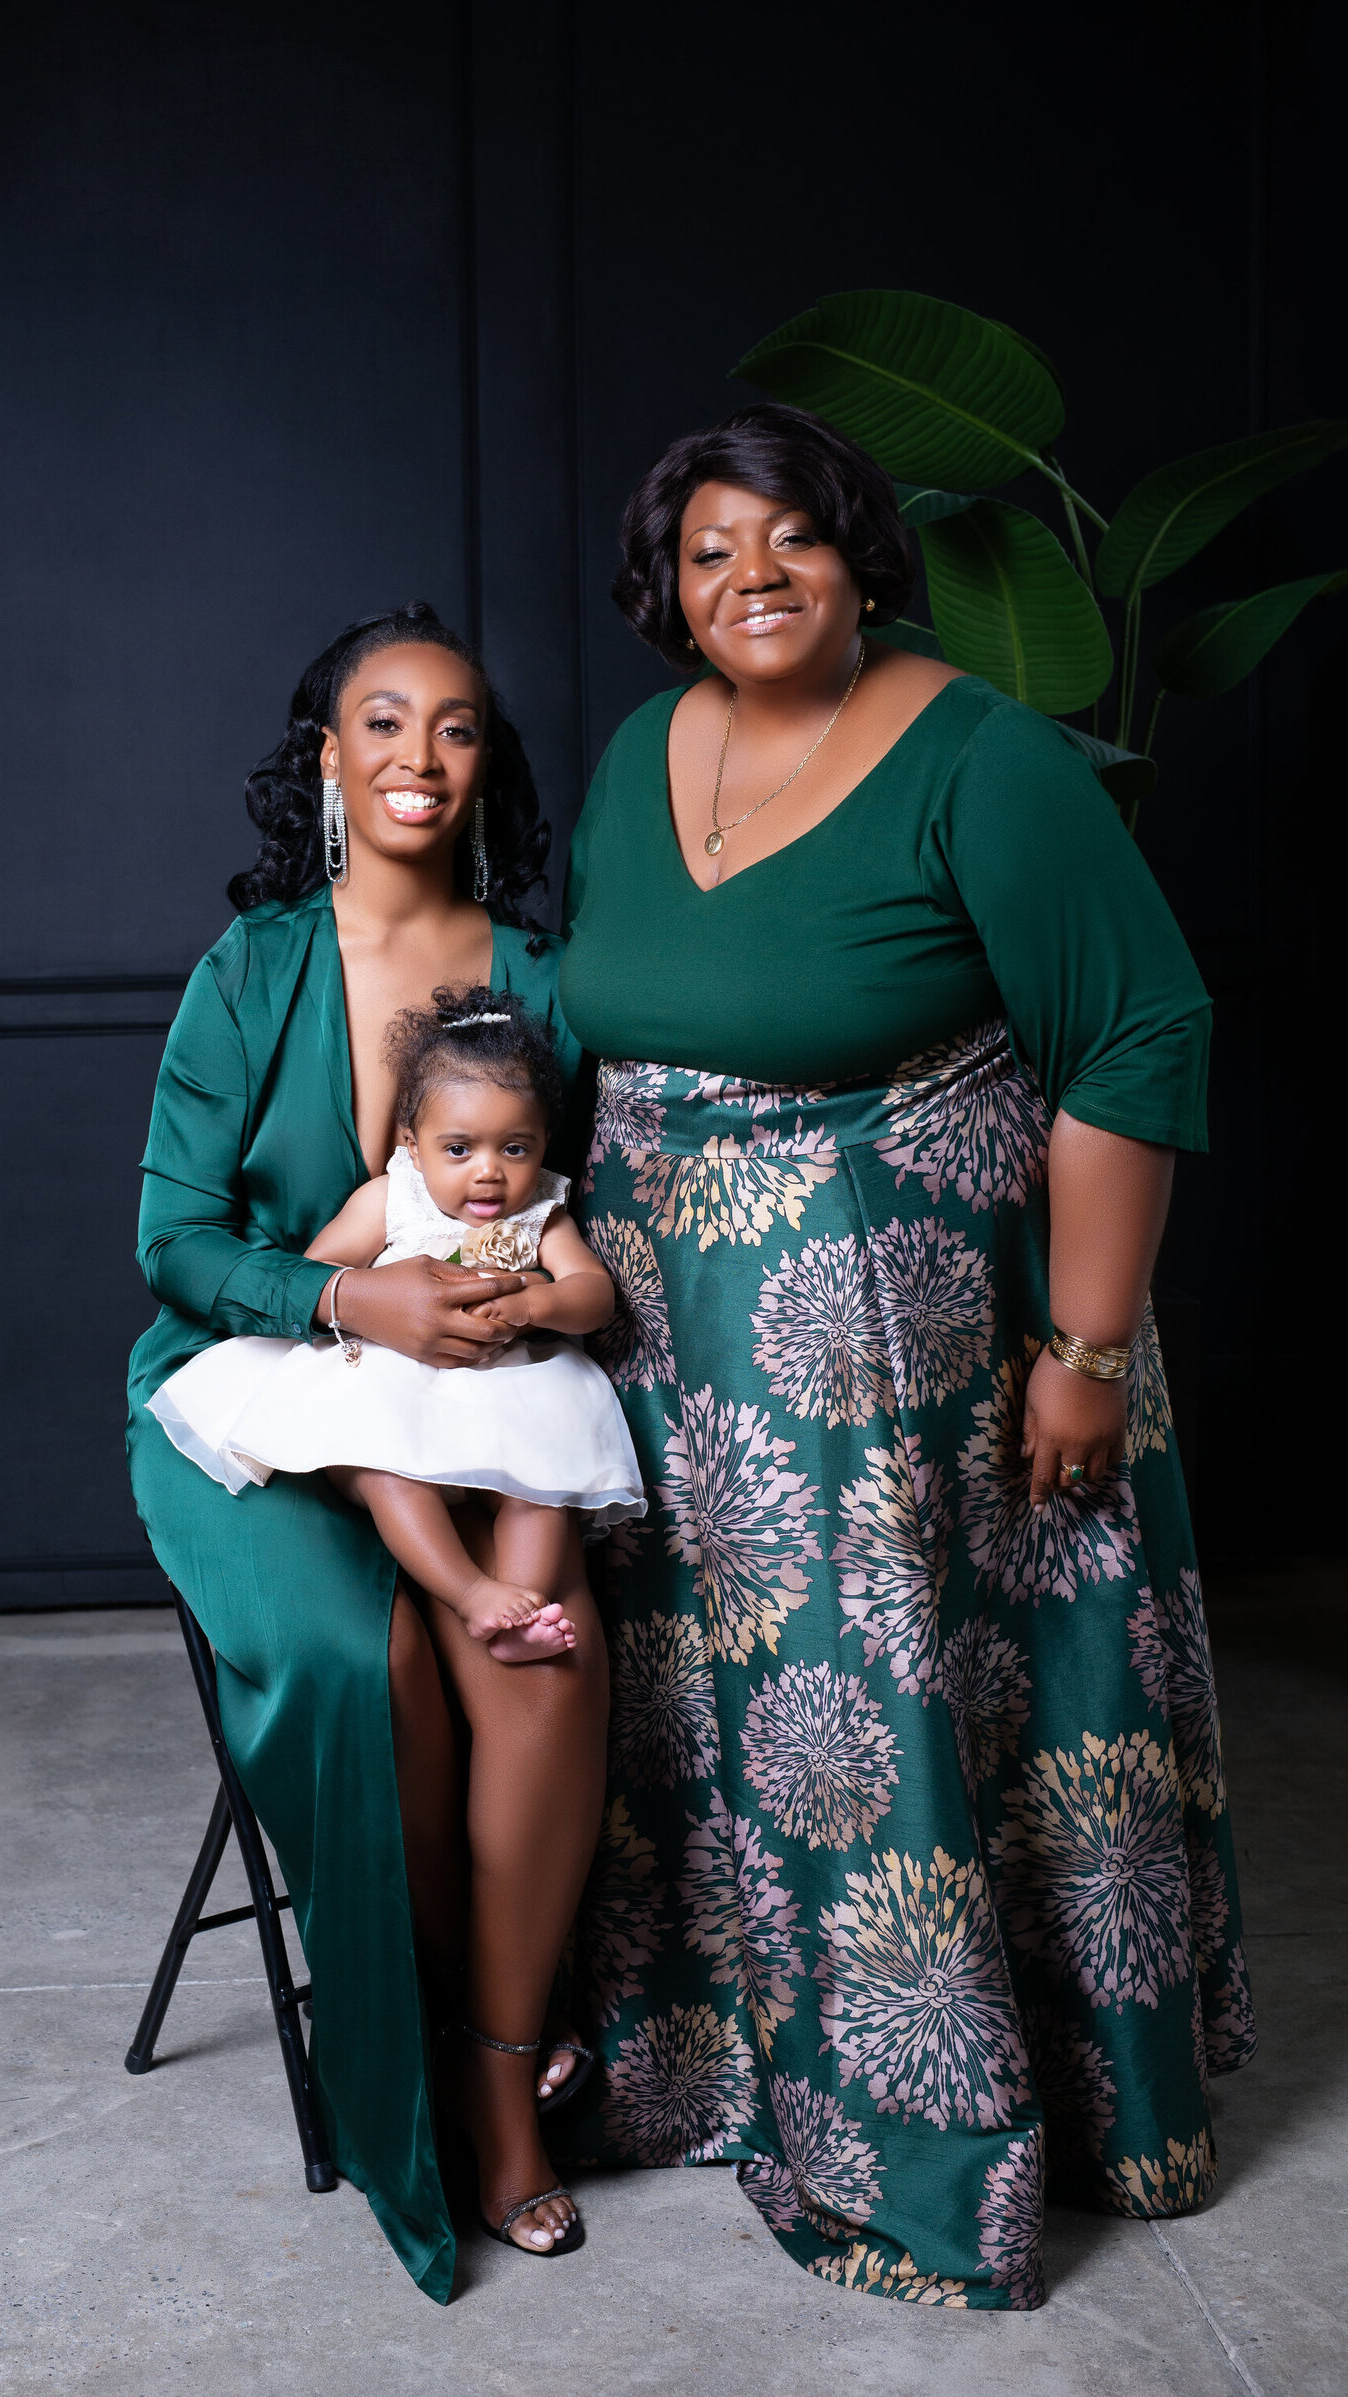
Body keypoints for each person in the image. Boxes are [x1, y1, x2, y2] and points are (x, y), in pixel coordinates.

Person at [555, 403, 1255, 2309]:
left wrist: (1087, 1350)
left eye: (787, 539)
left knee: (880, 1740)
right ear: (664, 589)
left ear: (866, 556)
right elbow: (594, 1012)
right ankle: (722, 2073)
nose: (750, 579)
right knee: (702, 1727)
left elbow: (1135, 1030)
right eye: (707, 551)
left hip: (892, 1364)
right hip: (671, 1363)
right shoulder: (644, 751)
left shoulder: (980, 753)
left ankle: (941, 2142)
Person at [126, 605, 608, 2292]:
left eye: (458, 726)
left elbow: (584, 1224)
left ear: (490, 766)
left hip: (494, 1388)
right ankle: (394, 2053)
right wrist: (351, 1301)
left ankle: (501, 2086)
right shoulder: (251, 968)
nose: (419, 756)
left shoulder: (541, 976)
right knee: (370, 1659)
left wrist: (518, 1312)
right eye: (381, 722)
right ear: (322, 756)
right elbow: (175, 1243)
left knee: (545, 1664)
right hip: (261, 1390)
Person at [146, 985, 643, 1659]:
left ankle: (520, 1611)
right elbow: (319, 1269)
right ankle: (471, 1593)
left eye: (516, 1148)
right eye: (460, 1148)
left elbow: (593, 1293)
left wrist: (534, 1303)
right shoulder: (392, 1198)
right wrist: (376, 1296)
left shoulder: (542, 1215)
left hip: (505, 1401)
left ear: (543, 1143)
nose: (490, 1172)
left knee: (544, 1489)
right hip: (395, 1394)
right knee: (387, 1477)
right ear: (413, 1144)